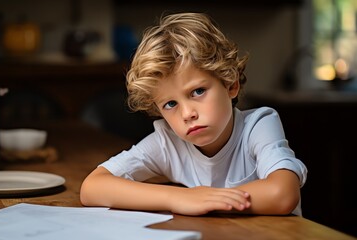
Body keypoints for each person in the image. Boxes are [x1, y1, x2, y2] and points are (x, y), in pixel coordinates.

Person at [80, 12, 308, 216]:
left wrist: (208, 201)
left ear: (231, 85)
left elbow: (282, 193)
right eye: (170, 104)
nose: (187, 114)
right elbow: (93, 187)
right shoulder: (168, 142)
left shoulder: (259, 125)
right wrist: (179, 198)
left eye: (198, 91)